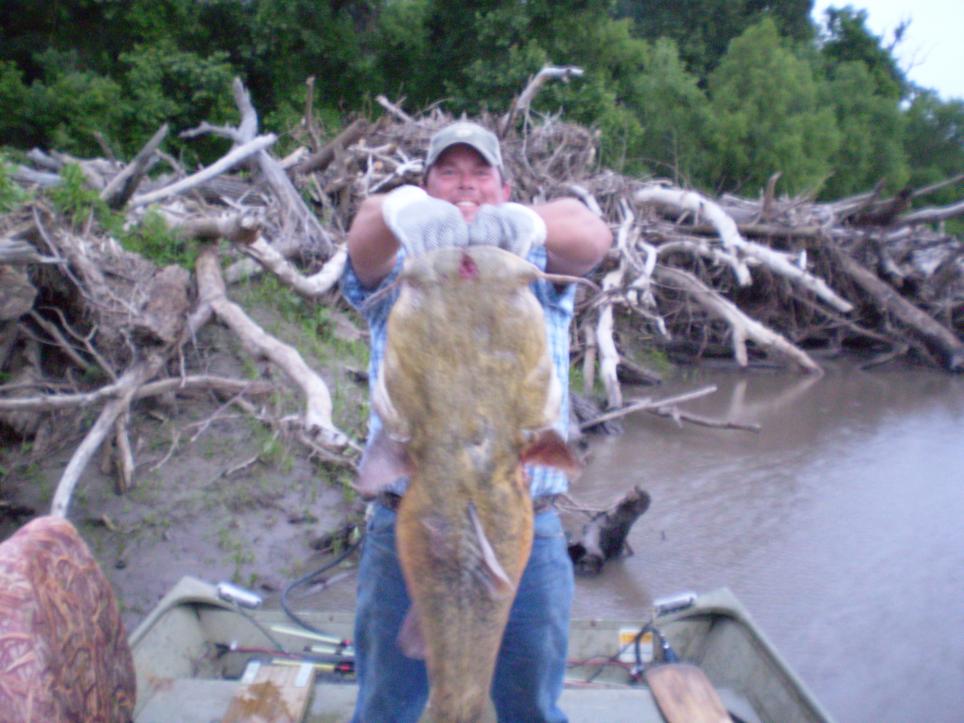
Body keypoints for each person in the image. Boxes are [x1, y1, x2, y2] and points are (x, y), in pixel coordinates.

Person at [341, 120, 612, 722]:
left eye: (479, 174)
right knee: (387, 704)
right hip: (406, 520)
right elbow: (363, 239)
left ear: (506, 184)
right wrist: (401, 210)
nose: (465, 186)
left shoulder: (531, 257)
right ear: (424, 184)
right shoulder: (403, 258)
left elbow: (593, 235)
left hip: (525, 524)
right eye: (448, 174)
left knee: (531, 704)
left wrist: (522, 223)